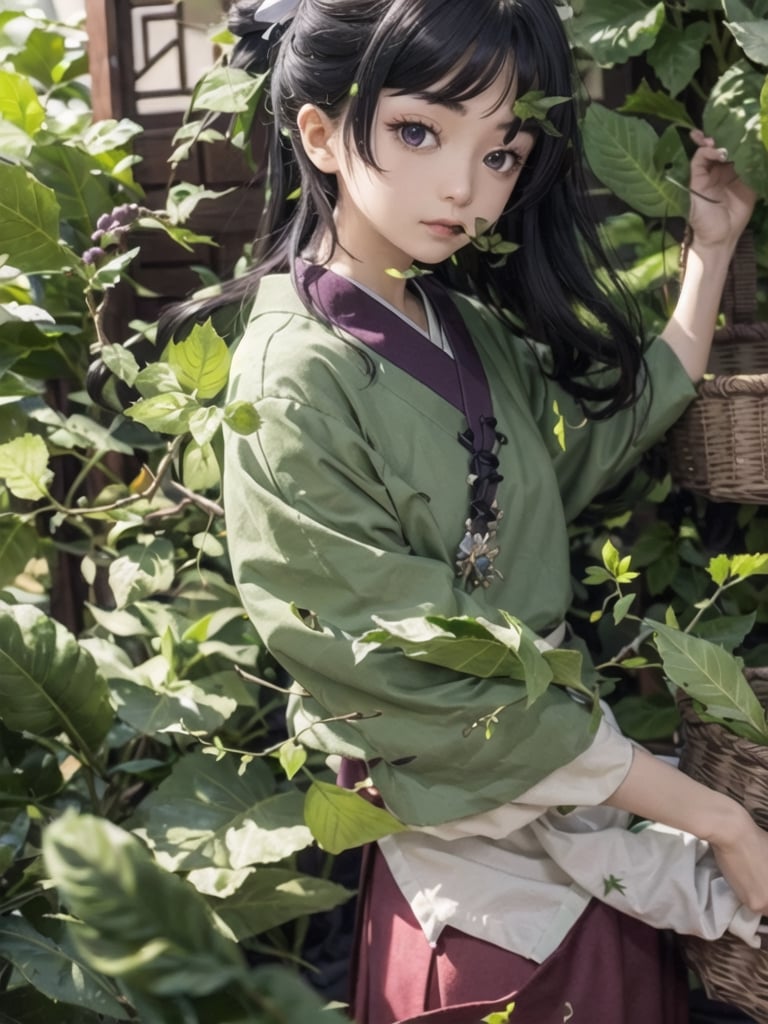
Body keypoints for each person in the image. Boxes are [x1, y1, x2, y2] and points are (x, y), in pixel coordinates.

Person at [169, 0, 768, 1020]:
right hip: (480, 886)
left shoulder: (461, 324)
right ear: (320, 133)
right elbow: (408, 679)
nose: (465, 187)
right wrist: (719, 818)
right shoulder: (289, 384)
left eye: (502, 153)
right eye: (418, 131)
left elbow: (587, 450)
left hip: (578, 815)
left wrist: (709, 250)